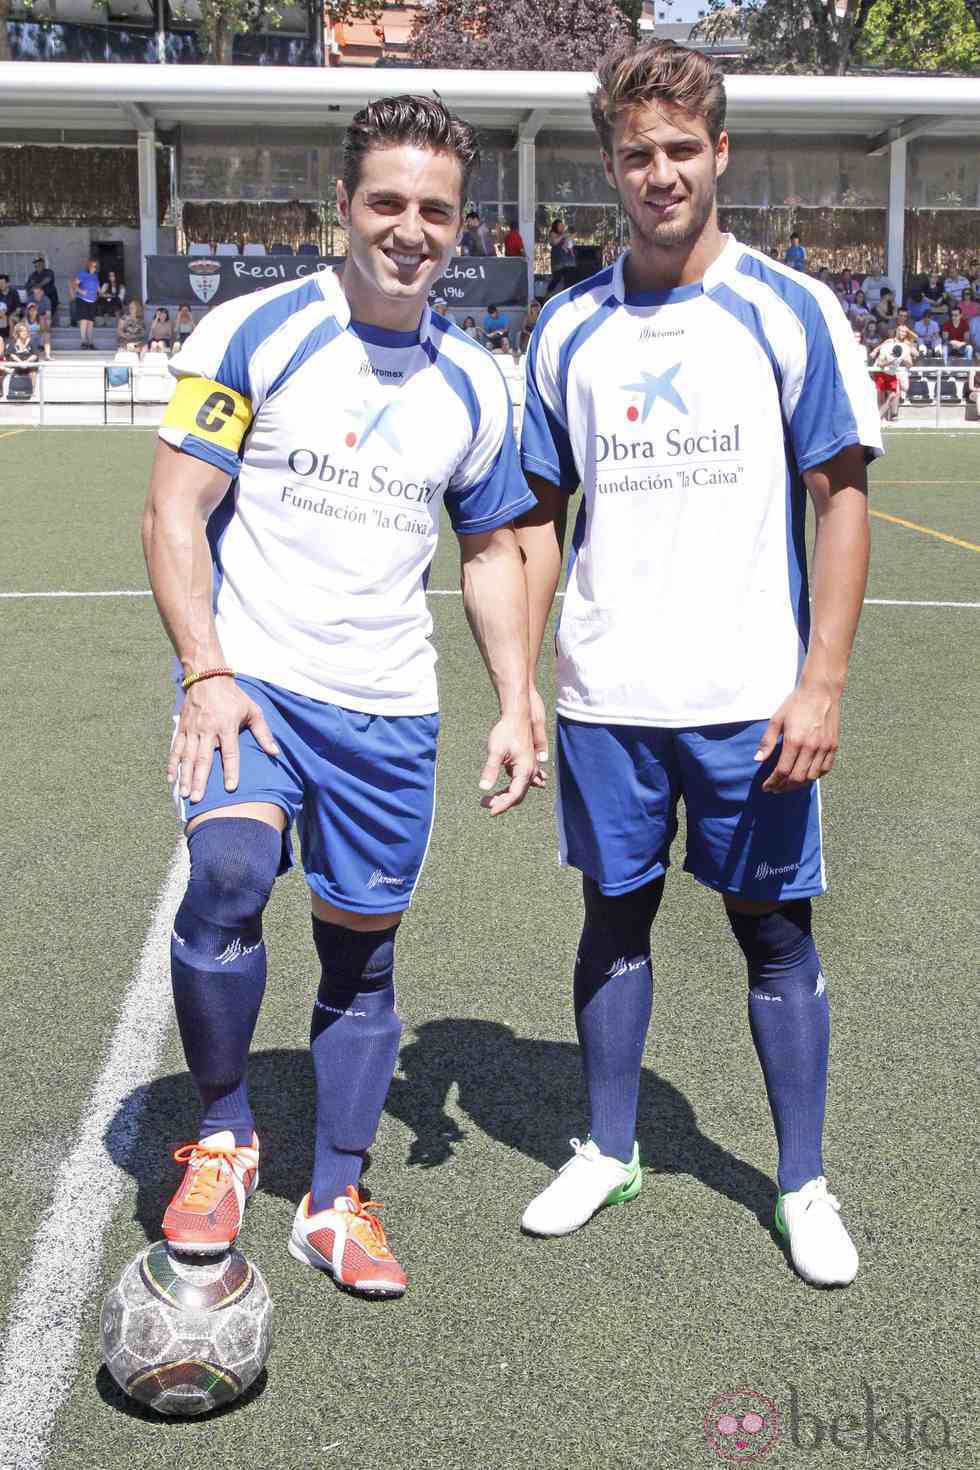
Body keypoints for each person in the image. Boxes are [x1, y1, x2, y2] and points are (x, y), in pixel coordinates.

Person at [144, 93, 537, 1299]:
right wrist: (207, 670)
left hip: (385, 710)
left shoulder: (475, 384)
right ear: (344, 206)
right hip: (253, 680)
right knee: (223, 879)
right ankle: (221, 1134)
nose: (408, 228)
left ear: (462, 227)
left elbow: (487, 551)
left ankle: (332, 1195)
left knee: (360, 961)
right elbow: (173, 511)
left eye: (433, 210)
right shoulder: (252, 331)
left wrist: (518, 699)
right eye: (386, 202)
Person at [514, 39, 880, 1289]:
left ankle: (799, 1182)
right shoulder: (565, 326)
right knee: (611, 921)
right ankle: (606, 1146)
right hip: (610, 700)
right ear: (608, 165)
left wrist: (819, 682)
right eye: (636, 154)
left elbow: (838, 500)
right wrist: (521, 686)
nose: (659, 172)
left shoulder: (786, 308)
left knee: (772, 934)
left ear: (718, 152)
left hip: (748, 702)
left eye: (681, 149)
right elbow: (530, 527)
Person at [870, 335, 911, 419]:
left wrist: (907, 362)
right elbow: (880, 364)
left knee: (892, 396)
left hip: (892, 374)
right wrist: (889, 362)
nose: (895, 356)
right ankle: (880, 418)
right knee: (881, 395)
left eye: (897, 355)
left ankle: (879, 416)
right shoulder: (885, 349)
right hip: (881, 372)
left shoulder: (905, 351)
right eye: (894, 354)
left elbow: (910, 364)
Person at [6, 320, 39, 397]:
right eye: (22, 331)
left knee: (33, 372)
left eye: (26, 331)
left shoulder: (32, 341)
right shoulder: (13, 341)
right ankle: (13, 390)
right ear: (18, 332)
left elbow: (35, 355)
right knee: (12, 370)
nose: (24, 332)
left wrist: (26, 362)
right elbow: (11, 354)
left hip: (29, 363)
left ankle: (33, 391)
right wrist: (20, 362)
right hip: (17, 362)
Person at [73, 257, 101, 349]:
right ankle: (83, 342)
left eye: (95, 266)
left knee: (90, 322)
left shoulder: (96, 276)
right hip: (82, 300)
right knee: (84, 321)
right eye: (92, 265)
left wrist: (103, 292)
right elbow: (74, 284)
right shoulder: (83, 274)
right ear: (88, 265)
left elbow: (98, 290)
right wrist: (81, 291)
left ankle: (90, 342)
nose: (94, 267)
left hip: (92, 301)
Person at [547, 218, 577, 293]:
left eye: (562, 225)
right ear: (556, 226)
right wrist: (563, 236)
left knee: (569, 279)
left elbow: (568, 245)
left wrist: (570, 248)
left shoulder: (565, 235)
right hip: (558, 262)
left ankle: (566, 296)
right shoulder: (553, 233)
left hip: (567, 262)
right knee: (556, 278)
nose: (562, 227)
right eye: (560, 225)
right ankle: (548, 294)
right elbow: (554, 242)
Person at [0, 275, 22, 344]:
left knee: (10, 319)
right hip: (2, 316)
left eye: (2, 283)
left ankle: (10, 343)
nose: (0, 285)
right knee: (2, 320)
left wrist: (11, 315)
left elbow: (18, 308)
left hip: (14, 315)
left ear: (8, 283)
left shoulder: (14, 292)